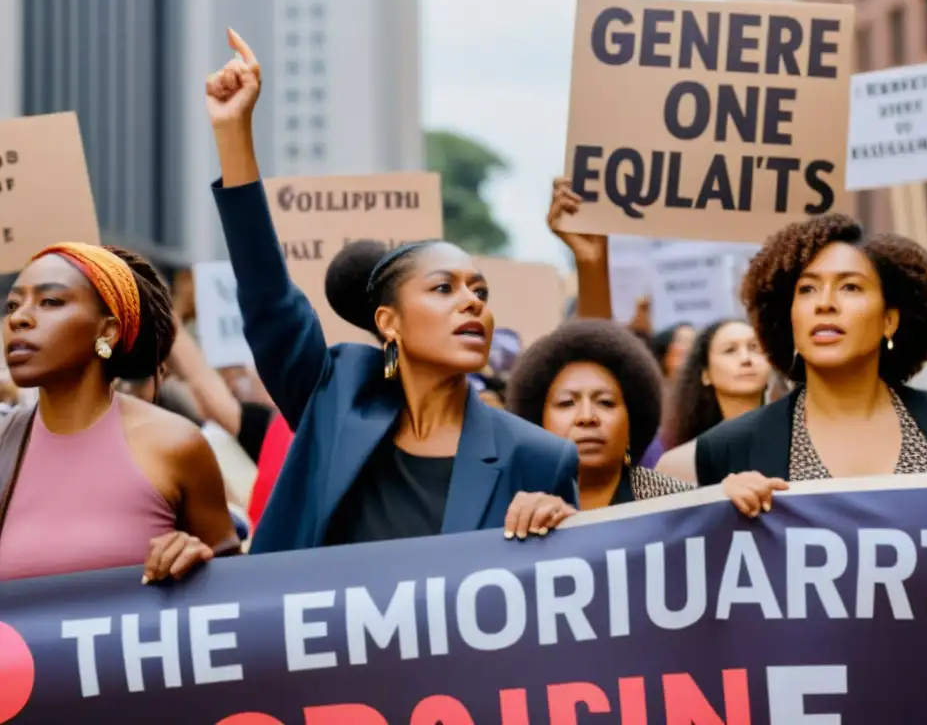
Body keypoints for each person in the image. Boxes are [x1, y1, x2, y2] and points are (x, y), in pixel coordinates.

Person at [206, 30, 577, 551]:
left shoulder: (537, 456)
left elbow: (572, 601)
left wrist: (563, 526)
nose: (472, 302)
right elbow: (269, 299)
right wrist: (232, 133)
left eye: (480, 292)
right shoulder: (335, 396)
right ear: (388, 321)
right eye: (443, 287)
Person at [690, 215, 927, 515]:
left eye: (850, 287)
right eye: (807, 289)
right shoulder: (726, 448)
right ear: (788, 318)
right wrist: (714, 511)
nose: (824, 304)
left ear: (889, 321)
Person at [0, 243, 237, 582]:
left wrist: (195, 558)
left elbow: (239, 594)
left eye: (50, 301)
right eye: (12, 304)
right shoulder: (4, 443)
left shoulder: (175, 444)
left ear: (107, 330)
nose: (19, 318)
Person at [506, 318, 691, 510]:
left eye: (605, 402)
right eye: (566, 403)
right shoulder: (509, 509)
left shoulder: (678, 506)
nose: (587, 417)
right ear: (537, 422)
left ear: (632, 422)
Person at [651, 319, 769, 478]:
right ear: (706, 374)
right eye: (730, 350)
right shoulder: (679, 464)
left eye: (754, 348)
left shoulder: (798, 440)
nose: (746, 358)